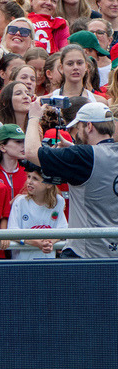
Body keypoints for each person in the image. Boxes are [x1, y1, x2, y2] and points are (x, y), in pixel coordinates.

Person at [26, 100, 118, 258]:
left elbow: (31, 152)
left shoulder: (83, 156)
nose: (77, 133)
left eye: (79, 127)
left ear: (89, 126)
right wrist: (73, 150)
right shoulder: (86, 155)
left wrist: (34, 118)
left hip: (86, 254)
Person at [7, 161, 67, 260]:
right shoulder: (20, 202)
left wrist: (50, 242)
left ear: (49, 184)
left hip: (47, 260)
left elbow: (63, 230)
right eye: (28, 176)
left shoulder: (59, 201)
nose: (29, 181)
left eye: (35, 178)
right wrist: (34, 242)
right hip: (22, 261)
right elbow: (12, 232)